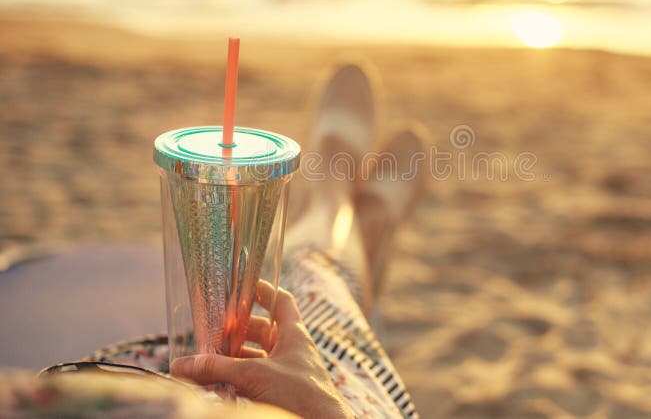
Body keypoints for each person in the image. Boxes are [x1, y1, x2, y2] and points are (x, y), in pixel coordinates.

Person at [2, 63, 425, 419]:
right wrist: (323, 411)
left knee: (262, 306)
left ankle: (342, 206)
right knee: (315, 287)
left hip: (156, 380)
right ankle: (345, 209)